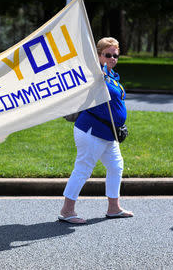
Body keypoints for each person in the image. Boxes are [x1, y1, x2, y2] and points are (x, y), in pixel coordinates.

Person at [58, 37, 133, 224]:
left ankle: (113, 207)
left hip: (109, 133)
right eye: (108, 55)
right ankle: (67, 210)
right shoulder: (93, 74)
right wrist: (96, 74)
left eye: (116, 55)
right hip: (91, 131)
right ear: (99, 55)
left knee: (116, 166)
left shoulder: (112, 76)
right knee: (83, 169)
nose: (112, 58)